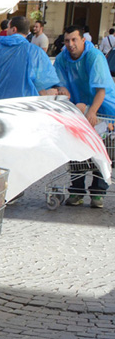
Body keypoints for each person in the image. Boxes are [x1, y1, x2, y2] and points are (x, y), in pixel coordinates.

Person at [53, 25, 114, 208]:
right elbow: (58, 82)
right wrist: (61, 88)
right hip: (78, 109)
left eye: (74, 40)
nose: (70, 44)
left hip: (102, 108)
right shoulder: (62, 58)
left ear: (83, 40)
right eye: (67, 40)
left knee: (101, 150)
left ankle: (98, 193)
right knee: (76, 150)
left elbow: (101, 90)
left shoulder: (94, 56)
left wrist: (92, 111)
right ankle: (77, 191)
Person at [0, 15, 61, 102]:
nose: (6, 31)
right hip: (23, 104)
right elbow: (45, 81)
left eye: (8, 28)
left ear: (14, 29)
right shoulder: (36, 52)